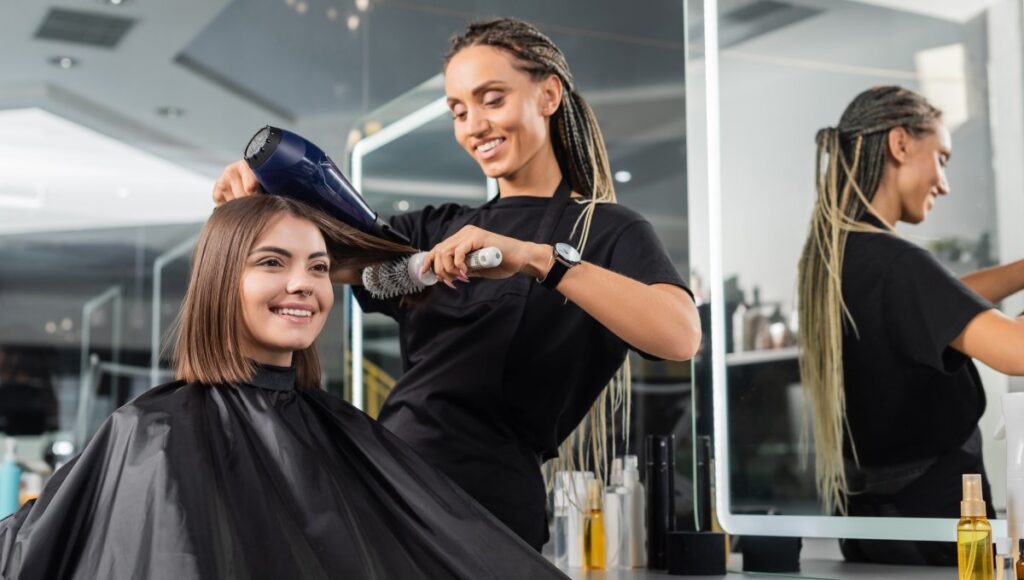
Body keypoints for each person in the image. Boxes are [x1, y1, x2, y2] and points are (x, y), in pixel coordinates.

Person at [213, 17, 701, 549]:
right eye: (459, 110)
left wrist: (539, 260)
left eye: (492, 99)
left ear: (548, 94)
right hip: (385, 478)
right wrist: (260, 197)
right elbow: (332, 260)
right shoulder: (433, 230)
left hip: (487, 506)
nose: (474, 125)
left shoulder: (607, 231)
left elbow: (679, 336)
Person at [0, 195, 566, 579]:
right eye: (272, 262)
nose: (303, 284)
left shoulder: (339, 430)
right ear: (222, 278)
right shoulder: (151, 433)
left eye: (318, 268)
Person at [798, 85, 1024, 565]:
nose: (944, 183)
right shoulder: (893, 263)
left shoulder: (838, 258)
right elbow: (1018, 351)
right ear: (900, 145)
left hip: (875, 535)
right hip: (934, 534)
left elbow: (942, 298)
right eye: (941, 157)